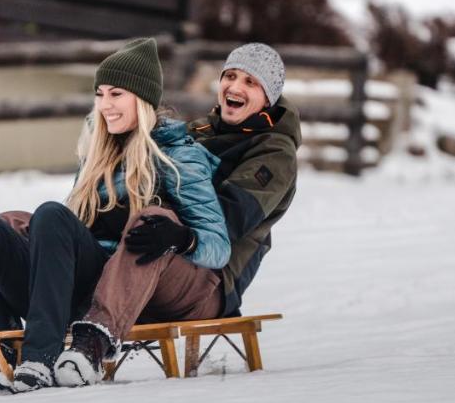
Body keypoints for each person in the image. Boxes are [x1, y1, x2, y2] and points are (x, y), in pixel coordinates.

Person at [0, 37, 230, 394]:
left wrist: (183, 237)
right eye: (100, 94)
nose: (106, 105)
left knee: (56, 215)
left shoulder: (179, 156)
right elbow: (67, 230)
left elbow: (218, 246)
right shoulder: (96, 154)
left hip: (135, 289)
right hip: (80, 284)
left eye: (116, 94)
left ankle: (40, 354)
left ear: (143, 99)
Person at [53, 43, 300, 385]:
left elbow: (227, 222)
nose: (236, 87)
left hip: (209, 282)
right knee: (50, 223)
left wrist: (160, 221)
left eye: (251, 82)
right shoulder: (198, 132)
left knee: (154, 223)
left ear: (269, 97)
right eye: (230, 76)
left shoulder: (274, 153)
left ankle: (94, 340)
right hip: (155, 268)